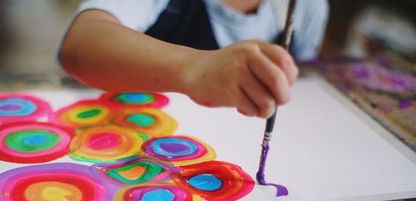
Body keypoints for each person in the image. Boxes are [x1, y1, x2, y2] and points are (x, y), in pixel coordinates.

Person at [59, 0, 328, 118]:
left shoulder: (306, 6)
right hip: (140, 139)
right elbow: (80, 43)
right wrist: (194, 69)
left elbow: (303, 91)